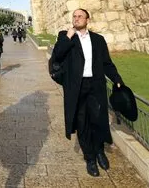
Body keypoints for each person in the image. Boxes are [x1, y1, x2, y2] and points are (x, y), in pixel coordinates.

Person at [50, 9, 124, 177]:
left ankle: (99, 151)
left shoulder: (98, 40)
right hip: (76, 87)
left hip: (95, 85)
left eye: (80, 16)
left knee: (98, 120)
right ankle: (90, 158)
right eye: (74, 17)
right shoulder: (65, 37)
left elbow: (106, 63)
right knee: (82, 122)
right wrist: (68, 37)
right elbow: (57, 56)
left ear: (87, 20)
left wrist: (117, 79)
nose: (76, 19)